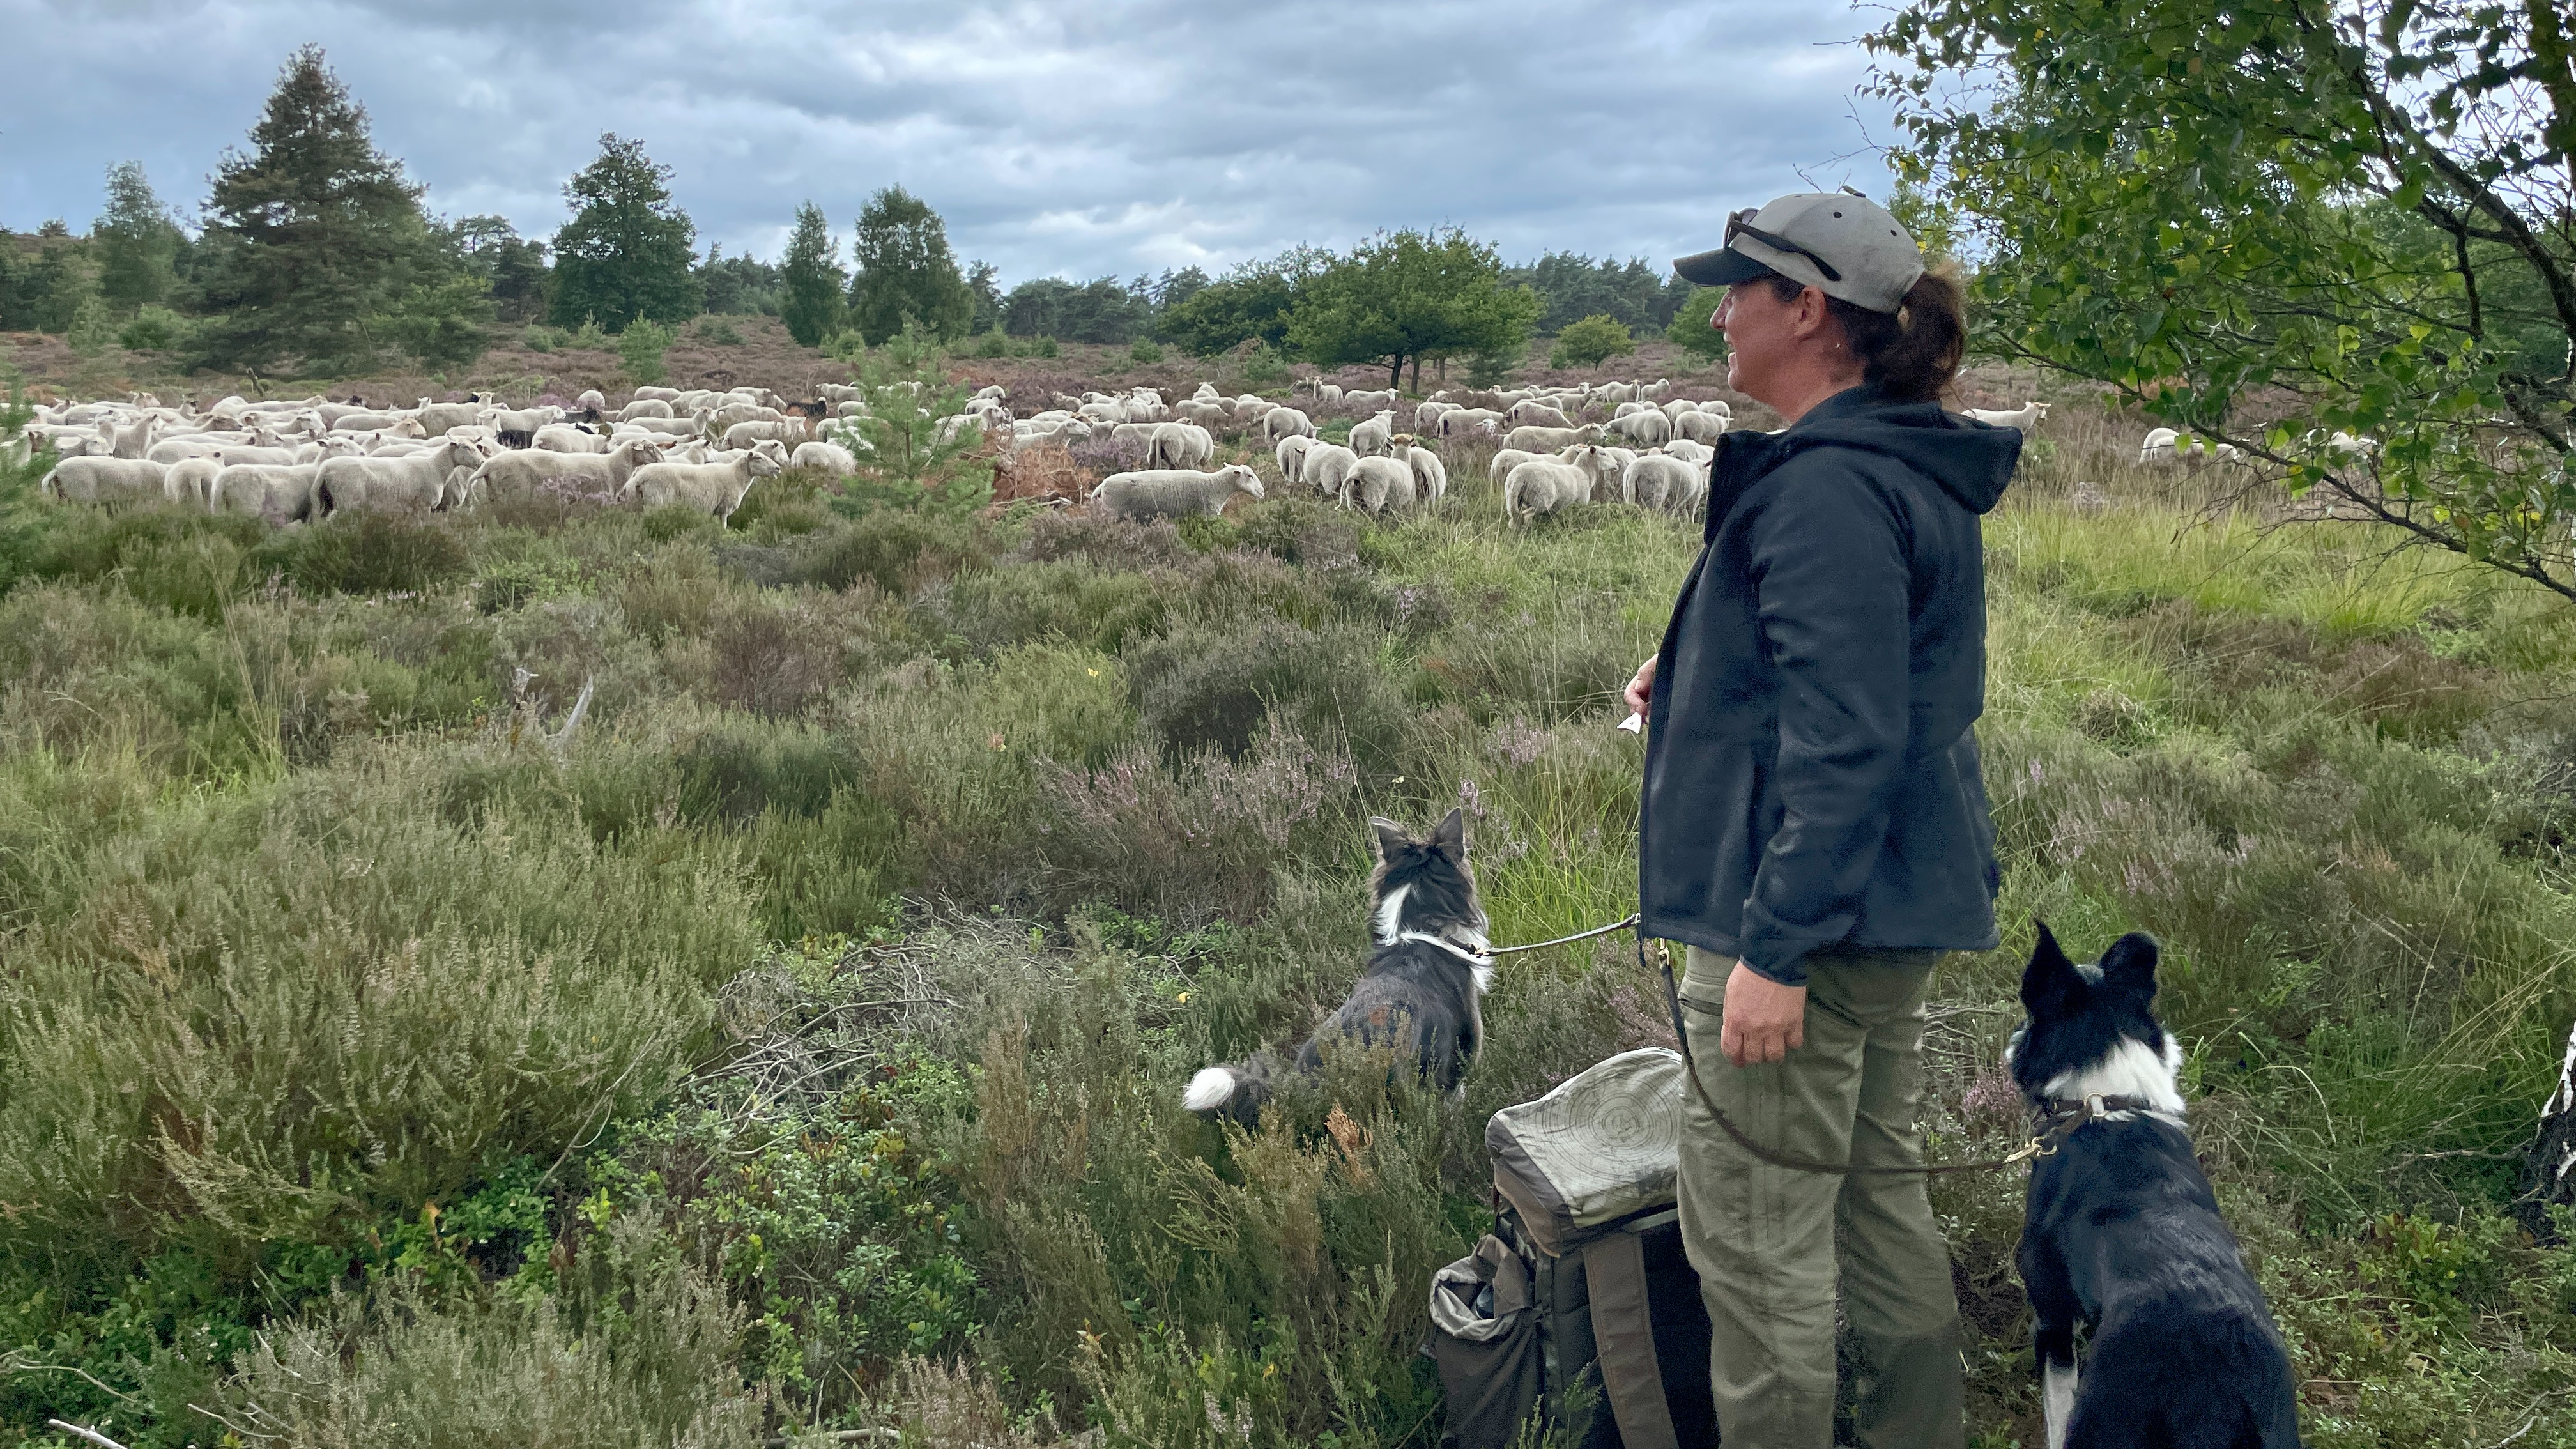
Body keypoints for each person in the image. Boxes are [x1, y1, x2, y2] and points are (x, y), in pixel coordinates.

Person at [1622, 192, 2018, 1448]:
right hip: (1893, 900)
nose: (1721, 317)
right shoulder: (1899, 462)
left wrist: (1776, 949)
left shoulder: (1829, 488)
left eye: (1740, 290)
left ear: (1808, 309)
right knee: (1874, 1196)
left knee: (1758, 1245)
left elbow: (1848, 742)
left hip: (1809, 920)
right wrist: (1697, 673)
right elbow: (1878, 676)